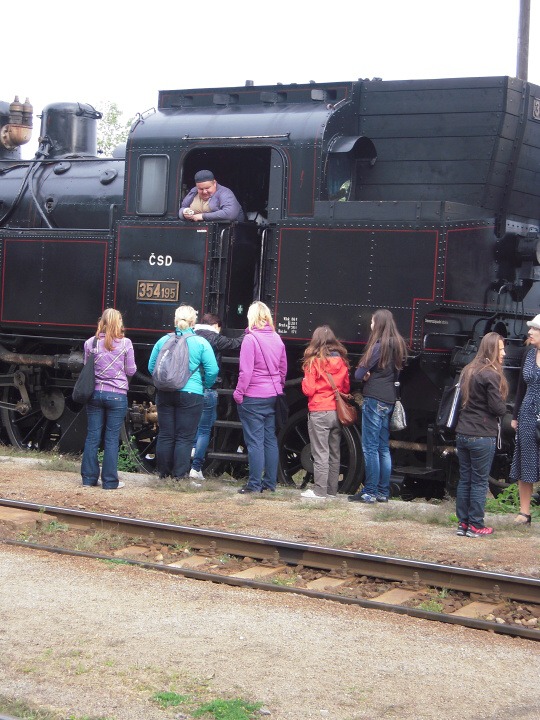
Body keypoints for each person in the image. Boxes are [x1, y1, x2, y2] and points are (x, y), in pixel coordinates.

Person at [148, 305, 218, 484]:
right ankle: (179, 477)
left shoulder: (163, 341)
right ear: (194, 322)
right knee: (185, 437)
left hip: (165, 392)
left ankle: (164, 475)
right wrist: (204, 385)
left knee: (166, 434)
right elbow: (212, 370)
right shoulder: (201, 343)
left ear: (175, 320)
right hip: (191, 393)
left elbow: (151, 367)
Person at [349, 309, 408, 504]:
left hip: (374, 398)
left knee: (370, 447)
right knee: (383, 447)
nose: (371, 325)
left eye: (373, 322)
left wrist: (367, 374)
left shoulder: (379, 346)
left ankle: (370, 492)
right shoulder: (398, 345)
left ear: (379, 325)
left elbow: (359, 374)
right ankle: (383, 491)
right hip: (389, 399)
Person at [454, 333, 508, 537]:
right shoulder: (491, 375)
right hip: (482, 435)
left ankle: (463, 524)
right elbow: (497, 408)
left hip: (463, 432)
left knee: (465, 480)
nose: (504, 353)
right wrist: (504, 406)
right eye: (501, 349)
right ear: (492, 350)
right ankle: (476, 525)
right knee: (479, 482)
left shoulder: (468, 370)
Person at [233, 301, 287, 494]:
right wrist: (278, 387)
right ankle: (270, 484)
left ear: (251, 317)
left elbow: (245, 372)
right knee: (270, 440)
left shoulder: (250, 339)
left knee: (255, 442)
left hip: (253, 396)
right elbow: (283, 369)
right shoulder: (277, 338)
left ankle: (254, 484)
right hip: (272, 396)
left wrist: (238, 393)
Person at [81, 308, 137, 490]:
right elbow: (131, 370)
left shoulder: (91, 343)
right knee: (112, 438)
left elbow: (86, 366)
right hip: (117, 395)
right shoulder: (126, 343)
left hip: (95, 394)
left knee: (92, 436)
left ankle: (89, 479)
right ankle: (110, 481)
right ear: (117, 322)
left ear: (102, 322)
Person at [189, 313, 244, 481]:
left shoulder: (190, 336)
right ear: (216, 326)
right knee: (205, 428)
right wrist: (248, 332)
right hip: (207, 388)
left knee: (190, 425)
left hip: (189, 387)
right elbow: (235, 343)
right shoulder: (213, 338)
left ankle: (187, 454)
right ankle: (196, 468)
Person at [300, 326, 350, 500]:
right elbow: (345, 388)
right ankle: (331, 490)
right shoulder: (342, 362)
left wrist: (304, 381)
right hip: (336, 411)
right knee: (334, 452)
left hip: (319, 410)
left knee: (320, 452)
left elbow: (309, 390)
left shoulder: (313, 362)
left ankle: (319, 491)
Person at [510, 314, 540, 525]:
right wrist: (515, 416)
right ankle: (524, 513)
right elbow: (521, 387)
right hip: (528, 413)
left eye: (535, 329)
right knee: (526, 462)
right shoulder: (528, 354)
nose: (530, 332)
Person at [179, 170, 244, 222]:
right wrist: (184, 213)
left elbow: (230, 213)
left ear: (214, 183)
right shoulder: (193, 192)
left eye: (207, 188)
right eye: (200, 189)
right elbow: (182, 208)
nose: (204, 192)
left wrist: (202, 216)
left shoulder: (225, 192)